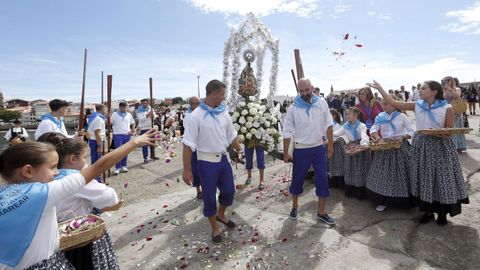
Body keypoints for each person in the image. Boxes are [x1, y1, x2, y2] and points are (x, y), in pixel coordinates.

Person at [0, 131, 158, 270]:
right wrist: (134, 142)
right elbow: (99, 166)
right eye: (53, 167)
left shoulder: (4, 195)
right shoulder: (43, 192)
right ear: (28, 170)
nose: (56, 173)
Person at [368, 80, 469, 225]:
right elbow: (394, 102)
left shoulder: (447, 108)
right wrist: (380, 88)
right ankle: (427, 211)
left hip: (441, 146)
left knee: (441, 178)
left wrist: (439, 132)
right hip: (421, 145)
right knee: (423, 178)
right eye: (420, 89)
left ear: (434, 91)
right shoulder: (417, 105)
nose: (420, 91)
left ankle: (442, 213)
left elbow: (448, 131)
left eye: (423, 88)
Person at [37, 132, 121, 270]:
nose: (86, 162)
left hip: (54, 240)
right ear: (72, 159)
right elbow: (110, 199)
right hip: (80, 238)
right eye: (84, 158)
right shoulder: (76, 179)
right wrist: (90, 177)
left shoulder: (43, 177)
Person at [182, 80, 243, 243]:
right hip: (205, 162)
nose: (224, 98)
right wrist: (186, 170)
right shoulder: (195, 116)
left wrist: (239, 150)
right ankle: (215, 228)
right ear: (213, 93)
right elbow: (187, 145)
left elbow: (231, 134)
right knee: (209, 197)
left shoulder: (223, 112)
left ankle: (221, 214)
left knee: (229, 191)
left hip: (223, 160)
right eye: (222, 94)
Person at [282, 78, 335, 225]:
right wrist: (286, 152)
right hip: (301, 149)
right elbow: (287, 132)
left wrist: (330, 146)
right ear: (298, 91)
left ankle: (321, 212)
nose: (305, 93)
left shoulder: (322, 102)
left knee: (322, 179)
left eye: (307, 90)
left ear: (312, 88)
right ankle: (294, 206)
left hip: (318, 148)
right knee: (297, 179)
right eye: (302, 91)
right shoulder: (293, 108)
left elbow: (329, 124)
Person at [366, 100, 415, 211]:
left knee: (400, 173)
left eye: (386, 103)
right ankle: (383, 200)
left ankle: (403, 200)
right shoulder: (380, 116)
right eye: (382, 104)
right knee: (383, 174)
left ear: (394, 105)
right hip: (384, 147)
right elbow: (373, 128)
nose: (383, 106)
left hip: (399, 148)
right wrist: (378, 138)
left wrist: (403, 137)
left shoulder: (402, 116)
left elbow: (412, 131)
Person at [333, 107, 371, 199]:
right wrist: (327, 133)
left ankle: (361, 192)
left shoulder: (361, 125)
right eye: (347, 114)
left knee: (361, 169)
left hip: (360, 149)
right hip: (351, 149)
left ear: (356, 115)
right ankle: (352, 190)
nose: (347, 116)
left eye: (349, 114)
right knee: (351, 169)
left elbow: (363, 135)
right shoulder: (346, 126)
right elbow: (336, 133)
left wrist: (364, 143)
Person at [183, 96, 202, 199]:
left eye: (200, 102)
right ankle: (198, 190)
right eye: (197, 103)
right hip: (193, 147)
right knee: (195, 169)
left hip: (203, 146)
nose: (199, 105)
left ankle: (205, 188)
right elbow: (188, 134)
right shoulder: (188, 116)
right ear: (191, 104)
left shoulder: (202, 113)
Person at [110, 102, 136, 175]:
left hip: (127, 135)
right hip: (118, 135)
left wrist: (132, 130)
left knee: (125, 151)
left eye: (125, 107)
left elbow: (133, 123)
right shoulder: (114, 114)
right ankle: (117, 167)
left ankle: (124, 166)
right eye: (122, 107)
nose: (123, 108)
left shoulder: (129, 114)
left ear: (126, 107)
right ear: (119, 107)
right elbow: (110, 123)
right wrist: (108, 118)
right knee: (118, 152)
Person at [443, 76, 467, 153]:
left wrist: (450, 89)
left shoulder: (457, 89)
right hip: (446, 111)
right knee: (449, 128)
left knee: (456, 129)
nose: (446, 81)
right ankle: (451, 147)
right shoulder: (444, 90)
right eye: (445, 80)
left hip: (456, 111)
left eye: (448, 80)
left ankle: (459, 146)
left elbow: (456, 96)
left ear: (452, 81)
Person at [327, 109, 346, 188]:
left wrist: (326, 141)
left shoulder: (336, 125)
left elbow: (336, 138)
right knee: (331, 165)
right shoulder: (328, 124)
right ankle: (332, 182)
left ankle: (339, 183)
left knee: (337, 165)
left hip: (336, 147)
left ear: (334, 116)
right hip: (329, 145)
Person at [136, 99, 159, 163]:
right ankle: (145, 158)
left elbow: (154, 117)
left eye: (146, 103)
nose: (144, 104)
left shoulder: (151, 108)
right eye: (143, 103)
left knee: (152, 143)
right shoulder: (139, 110)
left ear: (148, 103)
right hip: (144, 129)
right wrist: (147, 115)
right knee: (145, 144)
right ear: (141, 104)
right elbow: (141, 120)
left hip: (151, 128)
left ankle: (153, 155)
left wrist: (153, 115)